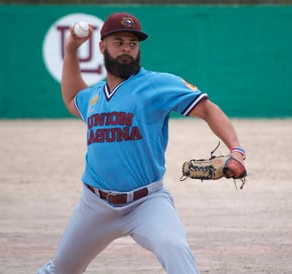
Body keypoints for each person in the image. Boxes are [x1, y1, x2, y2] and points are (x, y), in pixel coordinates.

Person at [37, 12, 246, 274]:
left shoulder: (157, 84)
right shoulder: (94, 97)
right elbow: (71, 99)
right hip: (95, 205)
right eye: (119, 42)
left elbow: (207, 109)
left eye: (133, 43)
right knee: (60, 270)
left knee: (175, 248)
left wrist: (236, 150)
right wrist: (70, 51)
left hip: (147, 203)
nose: (126, 48)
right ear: (102, 47)